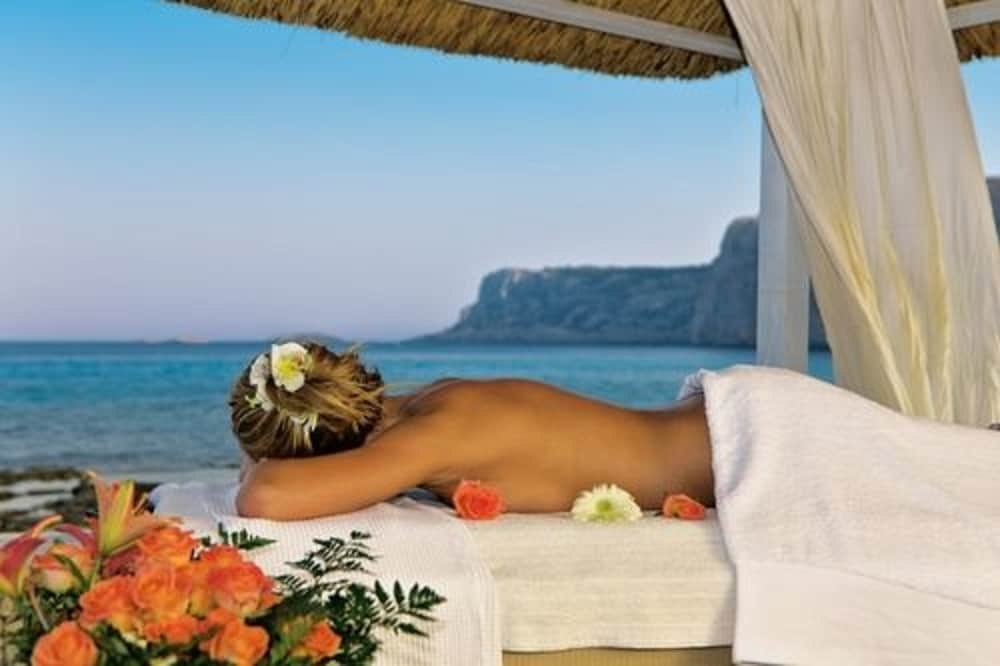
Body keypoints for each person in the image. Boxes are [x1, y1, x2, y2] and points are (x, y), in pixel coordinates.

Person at [231, 341, 714, 521]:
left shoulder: (428, 438)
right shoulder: (437, 396)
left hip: (730, 441)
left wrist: (261, 458)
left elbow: (265, 496)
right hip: (704, 421)